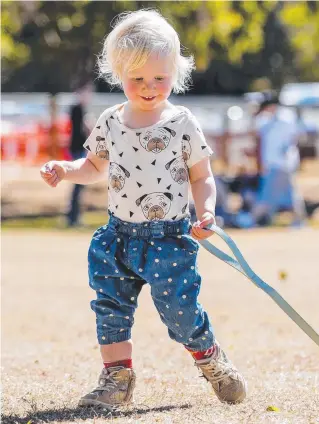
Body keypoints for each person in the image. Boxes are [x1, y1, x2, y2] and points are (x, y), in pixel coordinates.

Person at [39, 9, 247, 409]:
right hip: (117, 236)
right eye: (137, 79)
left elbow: (202, 177)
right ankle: (116, 378)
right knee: (110, 308)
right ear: (119, 75)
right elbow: (94, 167)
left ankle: (211, 358)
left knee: (180, 312)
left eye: (159, 78)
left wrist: (206, 214)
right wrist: (66, 170)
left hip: (168, 238)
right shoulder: (110, 121)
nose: (149, 88)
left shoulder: (183, 123)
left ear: (176, 72)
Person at [236, 92, 307, 228]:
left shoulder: (285, 118)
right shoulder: (266, 120)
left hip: (282, 163)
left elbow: (295, 137)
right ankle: (299, 221)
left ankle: (250, 220)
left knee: (267, 195)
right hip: (275, 164)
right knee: (291, 195)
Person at [67, 81, 93, 227]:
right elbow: (84, 128)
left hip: (79, 148)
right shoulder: (77, 108)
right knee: (79, 182)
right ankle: (73, 217)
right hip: (78, 148)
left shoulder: (81, 109)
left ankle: (74, 216)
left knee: (80, 184)